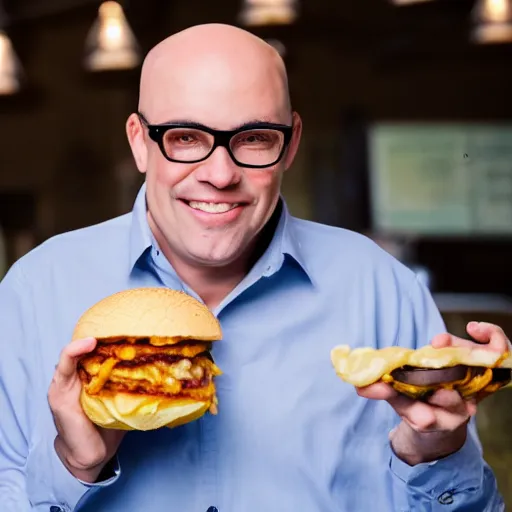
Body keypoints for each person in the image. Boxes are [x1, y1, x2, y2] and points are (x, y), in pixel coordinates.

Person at [0, 23, 509, 512]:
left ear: (290, 143)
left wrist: (437, 453)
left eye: (255, 138)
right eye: (184, 137)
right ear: (139, 141)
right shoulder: (34, 291)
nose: (220, 175)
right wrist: (72, 464)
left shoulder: (382, 287)